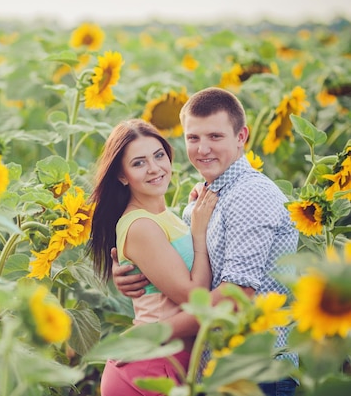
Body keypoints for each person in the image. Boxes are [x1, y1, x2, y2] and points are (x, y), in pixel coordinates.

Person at [111, 87, 300, 396]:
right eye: (193, 138)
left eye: (215, 136)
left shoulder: (250, 195)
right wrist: (136, 275)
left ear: (241, 137)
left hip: (256, 370)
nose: (202, 149)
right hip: (215, 368)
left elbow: (235, 297)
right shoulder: (207, 197)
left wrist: (151, 335)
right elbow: (185, 268)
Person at [87, 119, 218, 396]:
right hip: (151, 366)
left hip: (172, 361)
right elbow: (195, 296)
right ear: (122, 176)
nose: (155, 168)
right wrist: (199, 233)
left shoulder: (165, 216)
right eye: (138, 163)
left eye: (158, 155)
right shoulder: (140, 226)